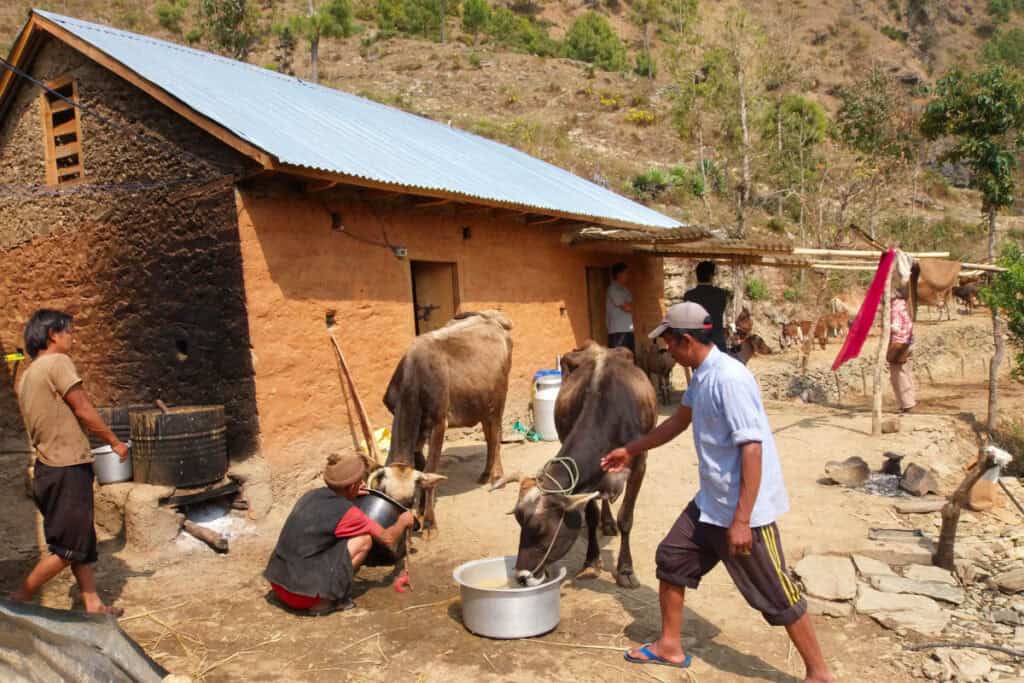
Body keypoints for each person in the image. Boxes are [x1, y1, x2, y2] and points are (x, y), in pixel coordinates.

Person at [601, 302, 833, 682]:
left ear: (686, 340)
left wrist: (742, 519)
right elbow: (678, 421)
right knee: (672, 557)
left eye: (669, 344)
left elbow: (752, 448)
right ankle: (670, 646)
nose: (667, 352)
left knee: (777, 592)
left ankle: (819, 672)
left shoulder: (730, 379)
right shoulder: (702, 376)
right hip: (711, 502)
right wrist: (632, 449)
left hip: (743, 510)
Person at [12, 310, 129, 616]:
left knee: (82, 540)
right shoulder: (57, 363)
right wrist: (114, 441)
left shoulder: (28, 375)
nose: (72, 337)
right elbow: (83, 409)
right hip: (66, 468)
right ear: (52, 334)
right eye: (69, 332)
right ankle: (18, 599)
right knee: (67, 548)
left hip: (48, 469)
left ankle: (93, 604)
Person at [264, 452, 415, 615]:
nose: (363, 484)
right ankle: (324, 602)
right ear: (350, 487)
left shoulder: (310, 496)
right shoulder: (350, 514)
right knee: (364, 541)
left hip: (279, 586)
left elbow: (329, 517)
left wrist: (351, 494)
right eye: (359, 482)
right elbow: (388, 538)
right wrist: (403, 521)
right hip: (302, 598)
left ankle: (317, 593)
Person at [683, 261, 729, 352]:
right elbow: (721, 311)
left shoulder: (689, 295)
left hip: (696, 342)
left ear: (697, 276)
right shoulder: (721, 294)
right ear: (711, 276)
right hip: (716, 341)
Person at [888, 286, 916, 414]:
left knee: (897, 374)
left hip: (899, 344)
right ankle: (909, 401)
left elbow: (896, 327)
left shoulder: (895, 308)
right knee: (907, 372)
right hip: (909, 342)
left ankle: (906, 404)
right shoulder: (906, 306)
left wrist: (885, 326)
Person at [606, 262, 635, 354]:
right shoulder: (613, 289)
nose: (628, 276)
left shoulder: (625, 290)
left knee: (629, 356)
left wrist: (629, 306)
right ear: (619, 274)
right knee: (617, 358)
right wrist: (628, 306)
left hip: (628, 328)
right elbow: (626, 307)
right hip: (617, 330)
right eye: (626, 273)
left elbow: (632, 306)